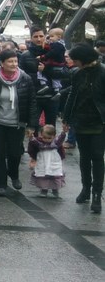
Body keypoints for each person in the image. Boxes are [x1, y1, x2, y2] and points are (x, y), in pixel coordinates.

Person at [0, 49, 37, 197]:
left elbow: (32, 103)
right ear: (2, 63)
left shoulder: (25, 79)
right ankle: (0, 184)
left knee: (15, 153)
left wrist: (31, 125)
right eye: (10, 61)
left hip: (17, 124)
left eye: (15, 61)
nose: (13, 64)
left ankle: (14, 174)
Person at [62, 44, 105, 212]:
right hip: (80, 121)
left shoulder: (102, 72)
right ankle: (85, 188)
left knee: (97, 156)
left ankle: (97, 194)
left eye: (75, 59)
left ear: (83, 59)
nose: (73, 62)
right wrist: (66, 117)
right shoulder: (78, 74)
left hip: (99, 122)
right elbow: (73, 95)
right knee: (84, 157)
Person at [28, 124, 67, 199]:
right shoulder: (40, 143)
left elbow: (61, 139)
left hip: (53, 163)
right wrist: (31, 137)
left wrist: (64, 132)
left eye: (49, 138)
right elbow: (33, 142)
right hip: (43, 162)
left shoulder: (55, 143)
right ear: (41, 135)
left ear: (54, 136)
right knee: (43, 176)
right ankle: (44, 190)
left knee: (55, 175)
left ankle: (55, 189)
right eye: (44, 137)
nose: (46, 139)